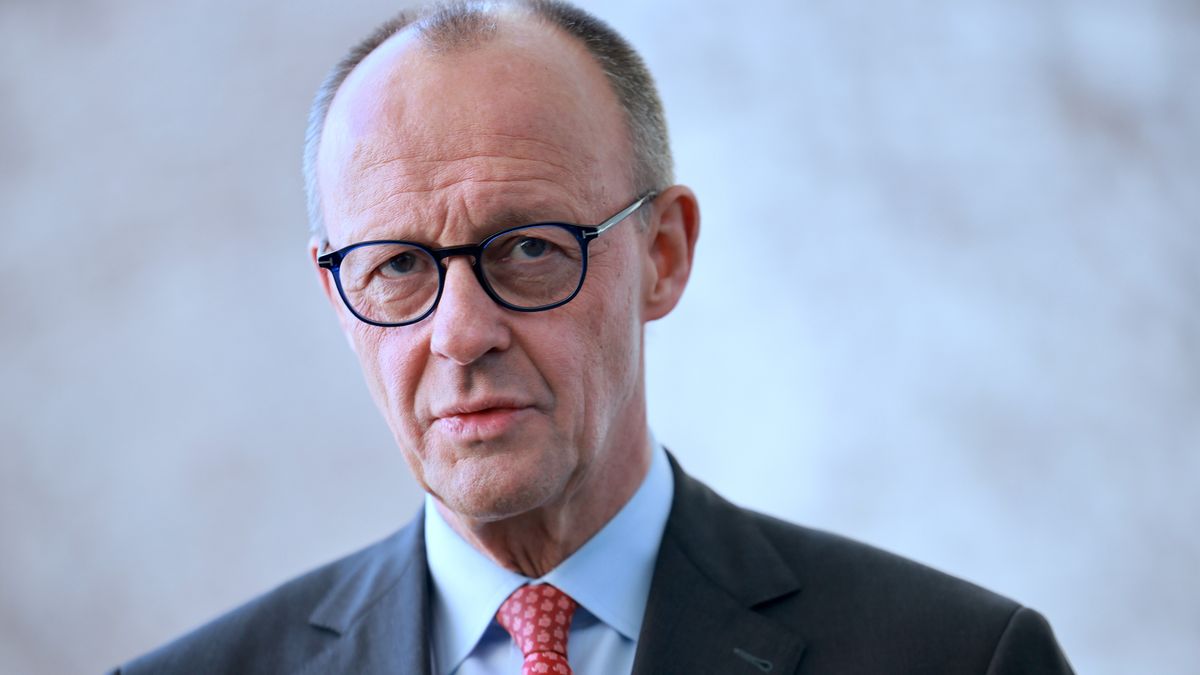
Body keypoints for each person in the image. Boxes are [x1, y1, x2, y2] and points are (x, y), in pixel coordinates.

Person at [111, 1, 1074, 673]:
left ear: (662, 254)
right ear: (337, 294)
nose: (460, 332)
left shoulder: (955, 659)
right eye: (397, 265)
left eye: (529, 247)